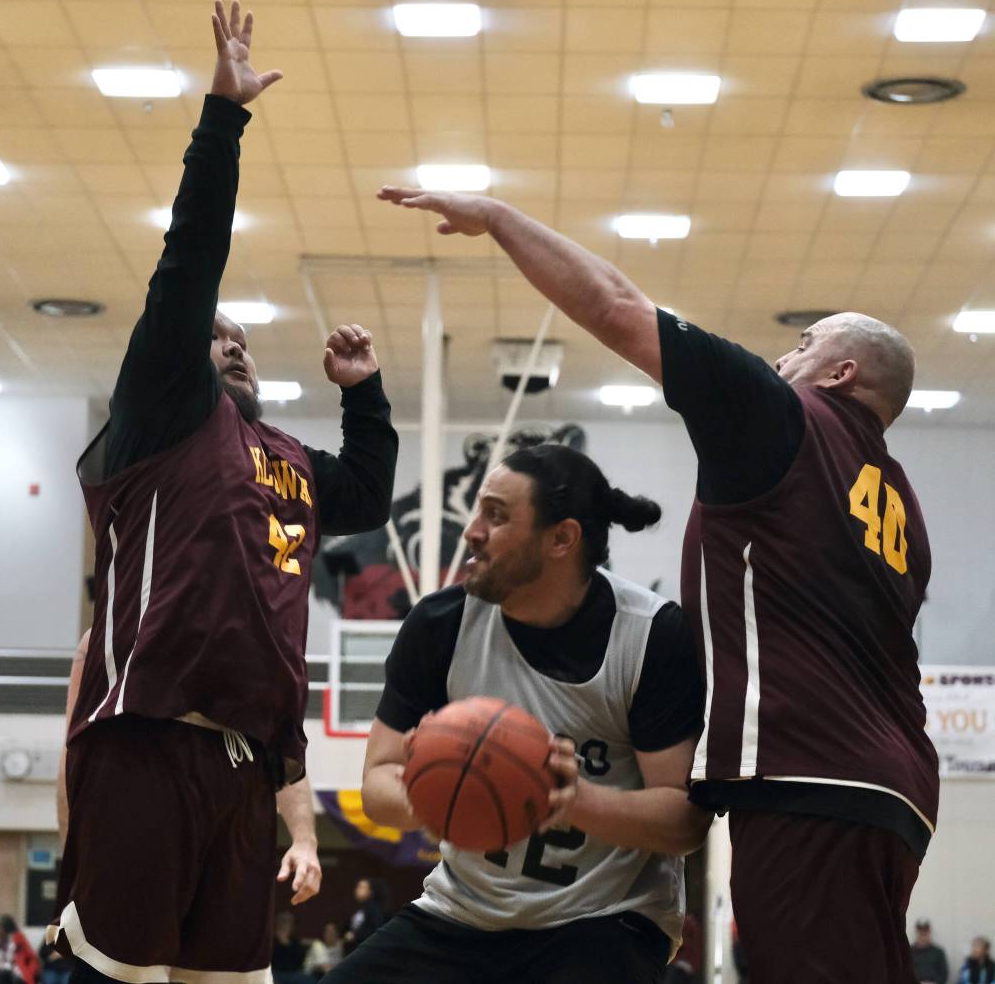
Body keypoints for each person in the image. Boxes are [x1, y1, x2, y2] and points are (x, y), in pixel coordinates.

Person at [379, 185, 939, 984]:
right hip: (897, 789)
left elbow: (615, 305)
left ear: (841, 374)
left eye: (806, 343)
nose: (785, 356)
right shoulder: (902, 508)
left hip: (812, 779)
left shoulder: (783, 415)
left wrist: (500, 219)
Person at [48, 0, 397, 984]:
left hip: (250, 765)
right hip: (150, 738)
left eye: (245, 338)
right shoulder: (163, 415)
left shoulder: (281, 453)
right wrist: (222, 119)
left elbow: (366, 493)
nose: (234, 341)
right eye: (218, 334)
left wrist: (365, 397)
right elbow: (186, 268)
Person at [324, 444, 709, 984]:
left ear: (561, 538)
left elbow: (685, 821)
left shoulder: (650, 637)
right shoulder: (439, 625)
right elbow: (378, 785)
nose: (471, 531)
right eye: (477, 510)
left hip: (603, 921)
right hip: (461, 914)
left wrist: (572, 800)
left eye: (496, 515)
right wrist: (449, 793)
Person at [0, 916, 39, 984]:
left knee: (13, 978)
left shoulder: (19, 939)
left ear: (7, 929)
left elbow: (33, 958)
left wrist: (30, 972)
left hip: (13, 971)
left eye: (0, 928)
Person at [343, 879, 389, 954]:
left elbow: (375, 929)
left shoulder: (374, 909)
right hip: (356, 950)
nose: (357, 890)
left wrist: (355, 935)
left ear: (370, 892)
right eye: (357, 887)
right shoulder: (361, 908)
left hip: (367, 951)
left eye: (361, 887)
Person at [270, 913, 309, 984]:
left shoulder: (295, 942)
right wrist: (281, 942)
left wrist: (286, 943)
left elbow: (300, 960)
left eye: (288, 923)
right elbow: (271, 960)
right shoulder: (271, 941)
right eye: (283, 922)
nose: (285, 926)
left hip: (294, 973)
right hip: (276, 972)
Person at [913, 919, 949, 984]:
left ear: (929, 932)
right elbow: (904, 973)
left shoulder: (938, 952)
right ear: (917, 932)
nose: (923, 936)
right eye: (921, 933)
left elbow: (944, 974)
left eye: (925, 932)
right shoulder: (908, 952)